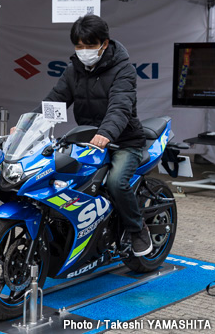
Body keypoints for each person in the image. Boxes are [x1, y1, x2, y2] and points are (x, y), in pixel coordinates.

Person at [37, 14, 150, 256]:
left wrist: (106, 133)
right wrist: (28, 126)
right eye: (79, 46)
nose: (84, 51)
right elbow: (54, 102)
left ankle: (137, 230)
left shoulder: (124, 70)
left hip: (123, 142)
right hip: (86, 139)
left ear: (104, 44)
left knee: (116, 183)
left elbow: (120, 106)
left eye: (90, 46)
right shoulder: (73, 71)